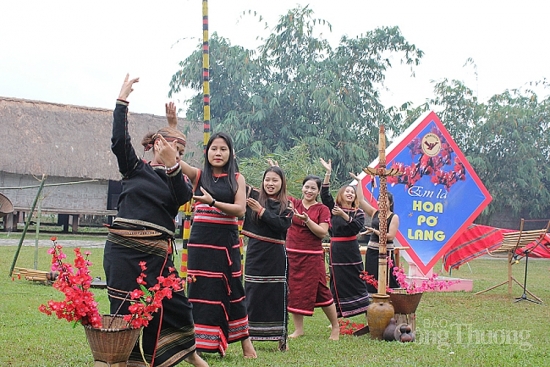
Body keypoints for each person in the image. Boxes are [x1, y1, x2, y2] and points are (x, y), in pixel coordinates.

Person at [103, 74, 207, 367]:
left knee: (177, 306)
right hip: (122, 253)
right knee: (124, 310)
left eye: (183, 154)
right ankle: (123, 361)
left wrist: (175, 162)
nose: (179, 155)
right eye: (177, 149)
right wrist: (121, 101)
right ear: (159, 144)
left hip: (157, 257)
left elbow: (181, 197)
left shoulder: (178, 179)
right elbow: (119, 141)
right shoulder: (135, 169)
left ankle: (190, 355)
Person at [175, 128, 257, 358]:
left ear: (231, 153)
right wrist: (172, 128)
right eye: (214, 148)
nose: (218, 153)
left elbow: (240, 210)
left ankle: (245, 342)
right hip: (201, 243)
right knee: (199, 288)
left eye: (223, 149)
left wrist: (212, 202)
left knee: (234, 289)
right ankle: (197, 343)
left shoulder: (237, 179)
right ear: (207, 151)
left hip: (226, 243)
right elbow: (174, 159)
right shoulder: (198, 175)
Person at [242, 166, 293, 351]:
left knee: (276, 294)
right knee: (253, 292)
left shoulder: (287, 205)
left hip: (275, 255)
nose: (270, 184)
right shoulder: (253, 196)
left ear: (282, 183)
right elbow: (236, 180)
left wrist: (261, 211)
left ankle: (281, 338)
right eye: (267, 180)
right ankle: (250, 338)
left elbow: (282, 225)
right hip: (255, 252)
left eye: (275, 180)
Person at [285, 174, 340, 340]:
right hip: (292, 254)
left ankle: (336, 327)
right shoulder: (293, 203)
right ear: (302, 188)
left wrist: (308, 220)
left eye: (313, 188)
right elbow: (279, 194)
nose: (308, 191)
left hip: (312, 256)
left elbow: (322, 232)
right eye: (306, 187)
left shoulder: (322, 209)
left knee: (322, 291)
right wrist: (278, 171)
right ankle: (299, 329)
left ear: (317, 191)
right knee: (293, 292)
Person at [319, 159, 370, 319]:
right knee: (336, 280)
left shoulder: (358, 212)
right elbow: (324, 194)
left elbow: (356, 228)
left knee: (357, 278)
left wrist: (345, 216)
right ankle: (337, 316)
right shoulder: (333, 208)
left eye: (352, 192)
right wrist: (328, 173)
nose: (349, 193)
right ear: (341, 194)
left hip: (351, 249)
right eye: (346, 191)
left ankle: (366, 310)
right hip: (336, 250)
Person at [350, 172, 400, 293]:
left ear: (390, 203)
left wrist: (374, 231)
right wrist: (359, 182)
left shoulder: (394, 217)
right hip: (372, 251)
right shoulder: (374, 213)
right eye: (379, 200)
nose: (381, 203)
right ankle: (372, 304)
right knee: (371, 279)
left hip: (385, 252)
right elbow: (361, 200)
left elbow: (390, 236)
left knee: (387, 279)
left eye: (384, 201)